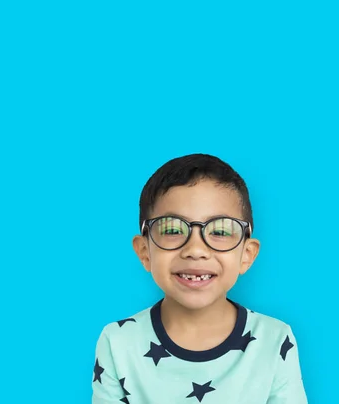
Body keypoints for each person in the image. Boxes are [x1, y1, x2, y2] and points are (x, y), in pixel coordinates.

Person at [91, 154, 307, 403]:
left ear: (246, 255)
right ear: (144, 252)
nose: (196, 249)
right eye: (172, 229)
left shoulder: (275, 339)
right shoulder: (118, 342)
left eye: (220, 231)